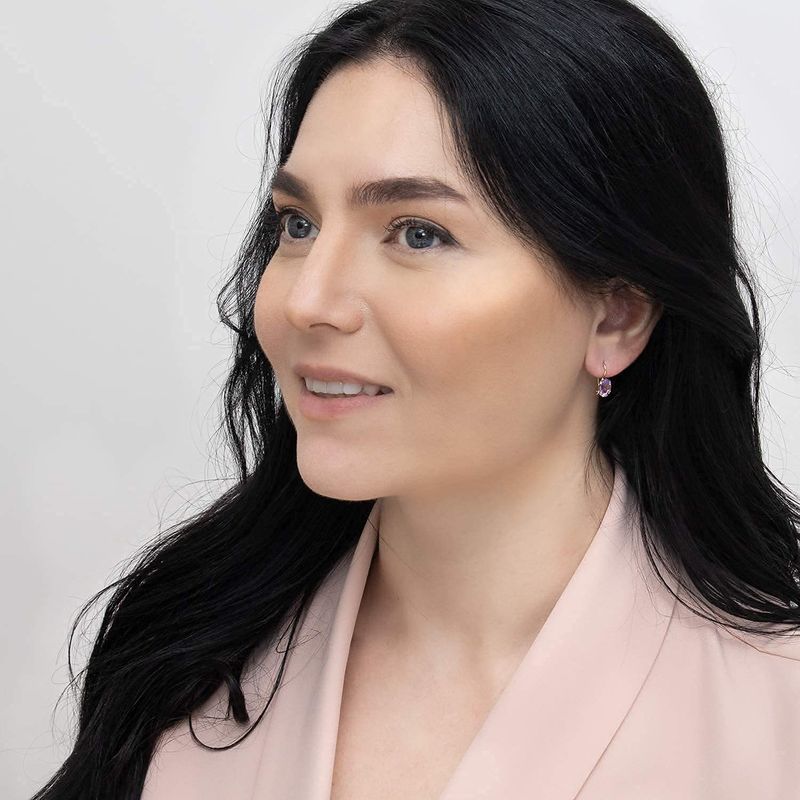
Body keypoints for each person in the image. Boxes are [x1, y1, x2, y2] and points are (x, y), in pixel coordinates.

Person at [33, 0, 800, 798]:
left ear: (615, 317)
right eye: (298, 225)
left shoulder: (774, 718)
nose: (308, 301)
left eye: (417, 233)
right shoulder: (185, 665)